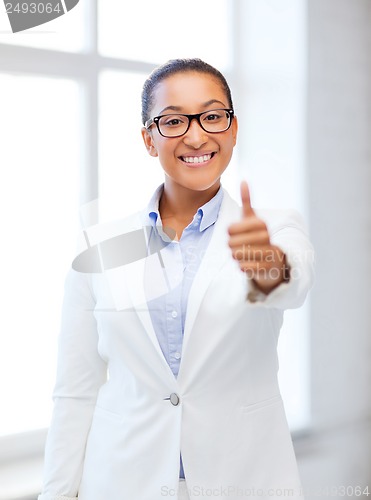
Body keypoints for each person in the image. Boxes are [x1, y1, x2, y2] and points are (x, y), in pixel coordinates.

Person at [38, 58, 314, 500]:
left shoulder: (273, 228)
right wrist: (56, 493)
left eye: (212, 115)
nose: (196, 134)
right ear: (149, 139)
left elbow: (292, 281)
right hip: (122, 481)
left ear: (233, 127)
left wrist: (267, 269)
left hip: (243, 479)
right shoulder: (100, 244)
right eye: (173, 121)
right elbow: (75, 389)